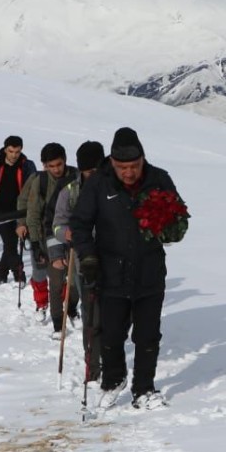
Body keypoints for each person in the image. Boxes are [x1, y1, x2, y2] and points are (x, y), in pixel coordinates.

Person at [70, 127, 186, 408]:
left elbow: (179, 220)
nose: (129, 172)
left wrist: (169, 228)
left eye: (134, 166)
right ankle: (113, 379)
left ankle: (144, 389)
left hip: (149, 272)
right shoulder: (99, 183)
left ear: (143, 159)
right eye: (123, 167)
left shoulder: (159, 179)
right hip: (109, 272)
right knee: (110, 335)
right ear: (112, 162)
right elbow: (81, 224)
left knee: (147, 336)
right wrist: (88, 257)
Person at [53, 140, 104, 380]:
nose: (93, 175)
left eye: (97, 169)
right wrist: (67, 234)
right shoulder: (70, 192)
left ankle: (108, 357)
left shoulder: (114, 189)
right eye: (89, 171)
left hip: (113, 258)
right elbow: (56, 225)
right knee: (91, 311)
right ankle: (92, 364)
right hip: (84, 258)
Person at [18, 142, 77, 330]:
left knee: (69, 275)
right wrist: (34, 243)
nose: (56, 169)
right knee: (40, 272)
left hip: (69, 234)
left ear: (65, 160)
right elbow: (32, 212)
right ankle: (42, 304)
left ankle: (69, 306)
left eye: (59, 164)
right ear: (44, 165)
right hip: (43, 235)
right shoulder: (40, 181)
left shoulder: (76, 177)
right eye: (51, 166)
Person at [0, 135, 37, 284]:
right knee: (10, 242)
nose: (14, 155)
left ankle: (2, 274)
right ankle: (18, 273)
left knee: (12, 241)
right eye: (11, 151)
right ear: (5, 150)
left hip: (18, 211)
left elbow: (34, 188)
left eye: (17, 151)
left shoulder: (27, 165)